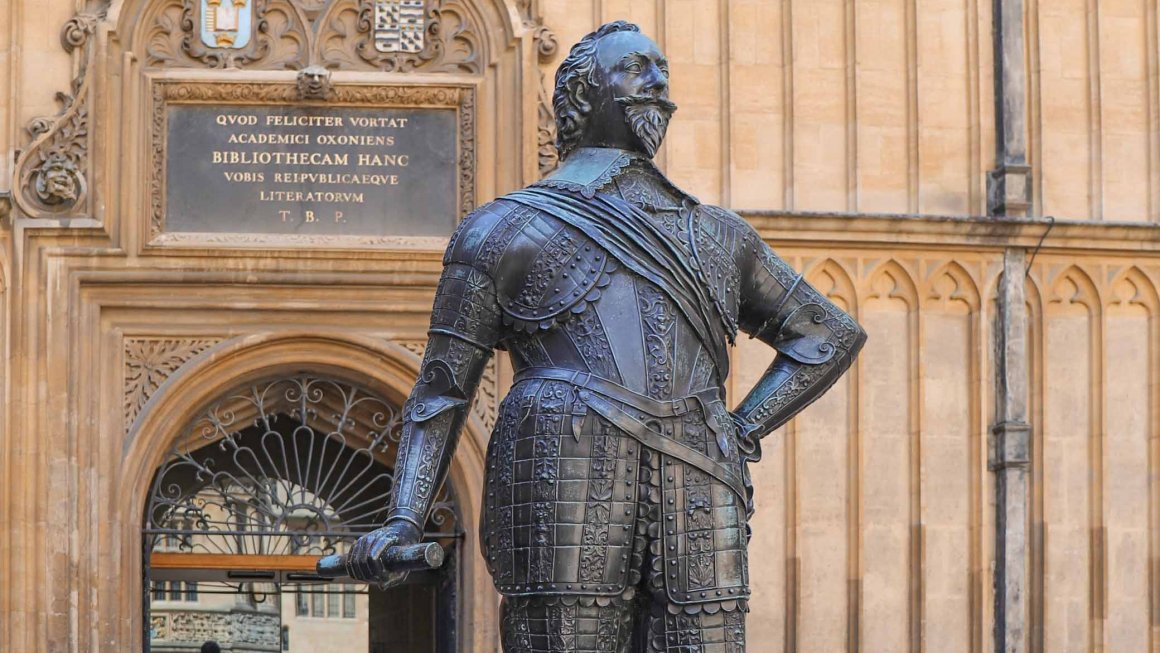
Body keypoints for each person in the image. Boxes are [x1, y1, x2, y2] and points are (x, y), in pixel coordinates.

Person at [343, 20, 866, 652]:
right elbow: (443, 389)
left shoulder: (719, 233)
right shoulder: (505, 229)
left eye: (663, 70)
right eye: (636, 68)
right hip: (563, 469)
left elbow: (827, 334)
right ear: (582, 95)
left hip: (696, 482)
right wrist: (404, 516)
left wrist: (742, 428)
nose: (658, 83)